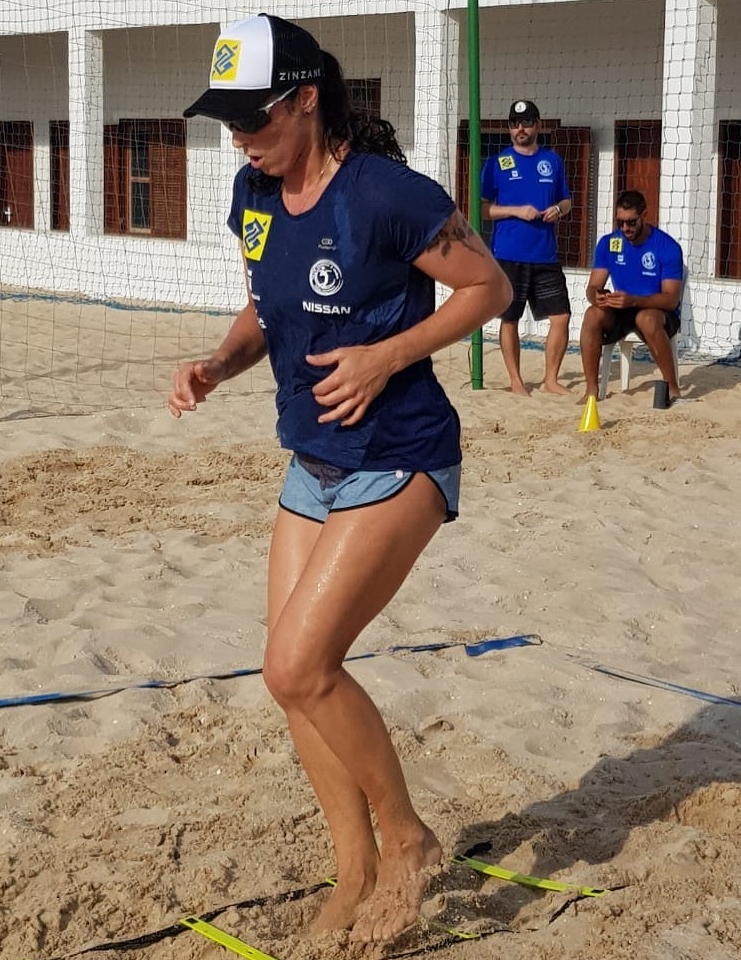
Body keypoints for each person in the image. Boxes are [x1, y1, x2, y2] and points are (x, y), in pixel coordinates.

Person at [170, 13, 511, 944]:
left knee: (300, 664)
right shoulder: (253, 190)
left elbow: (490, 289)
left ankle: (407, 840)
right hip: (312, 461)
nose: (239, 138)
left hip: (400, 456)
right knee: (289, 681)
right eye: (227, 121)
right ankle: (354, 869)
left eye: (252, 118)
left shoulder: (388, 195)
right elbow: (263, 303)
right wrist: (218, 363)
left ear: (306, 101)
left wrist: (385, 356)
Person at [480, 99, 573, 395]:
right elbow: (482, 210)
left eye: (527, 122)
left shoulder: (552, 161)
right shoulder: (497, 163)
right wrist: (516, 211)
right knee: (510, 319)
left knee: (561, 316)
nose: (520, 128)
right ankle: (516, 381)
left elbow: (567, 201)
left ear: (538, 125)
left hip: (545, 254)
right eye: (514, 123)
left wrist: (558, 210)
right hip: (509, 253)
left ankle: (551, 380)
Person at [580, 190, 684, 403]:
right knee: (592, 314)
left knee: (646, 318)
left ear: (644, 215)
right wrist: (597, 296)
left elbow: (671, 300)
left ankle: (673, 389)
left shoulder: (667, 247)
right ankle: (591, 390)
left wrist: (634, 300)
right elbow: (592, 287)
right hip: (623, 308)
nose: (625, 228)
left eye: (631, 222)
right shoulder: (609, 243)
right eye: (620, 222)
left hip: (658, 311)